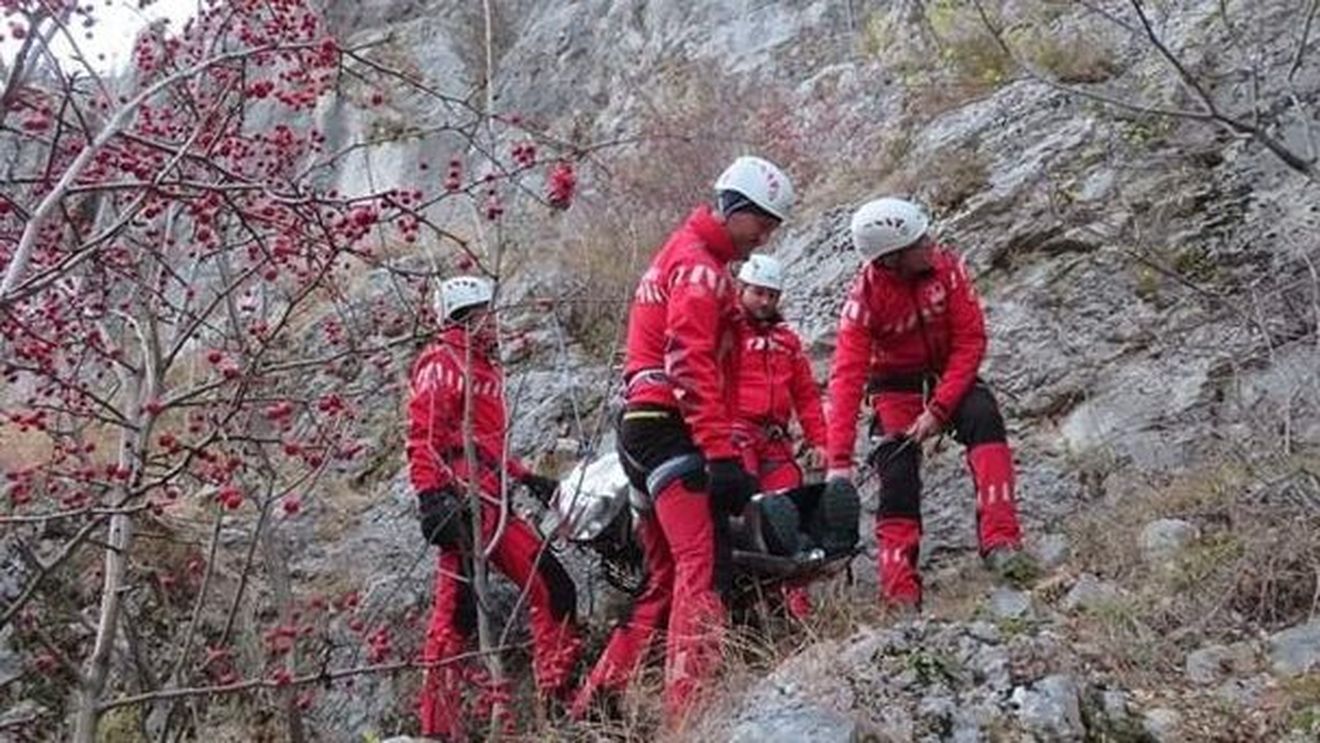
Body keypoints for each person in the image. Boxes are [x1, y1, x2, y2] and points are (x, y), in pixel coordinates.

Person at [570, 156, 795, 722]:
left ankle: (592, 707)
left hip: (641, 430)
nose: (766, 234)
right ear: (738, 209)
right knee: (705, 565)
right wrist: (720, 455)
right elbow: (690, 363)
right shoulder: (699, 268)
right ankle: (691, 716)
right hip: (671, 430)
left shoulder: (679, 255)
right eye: (764, 222)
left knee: (665, 576)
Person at [825, 198, 1026, 611]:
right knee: (896, 474)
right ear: (891, 259)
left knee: (984, 420)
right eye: (919, 243)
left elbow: (971, 340)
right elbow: (846, 378)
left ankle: (1002, 541)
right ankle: (899, 591)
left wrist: (939, 409)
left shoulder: (948, 269)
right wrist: (838, 463)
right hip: (894, 390)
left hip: (947, 375)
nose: (930, 245)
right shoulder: (863, 301)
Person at [406, 275, 581, 739]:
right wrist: (431, 498)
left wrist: (527, 477)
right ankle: (438, 731)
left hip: (494, 501)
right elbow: (423, 439)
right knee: (455, 619)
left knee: (556, 589)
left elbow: (485, 444)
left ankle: (556, 702)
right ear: (463, 317)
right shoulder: (442, 365)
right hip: (462, 506)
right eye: (485, 313)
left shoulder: (483, 368)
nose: (494, 321)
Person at [730, 253, 828, 618]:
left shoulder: (786, 340)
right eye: (759, 293)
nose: (766, 301)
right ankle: (751, 603)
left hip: (774, 440)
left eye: (772, 295)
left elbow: (805, 394)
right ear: (741, 290)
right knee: (746, 517)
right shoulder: (726, 331)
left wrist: (821, 440)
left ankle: (796, 609)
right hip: (736, 434)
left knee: (792, 517)